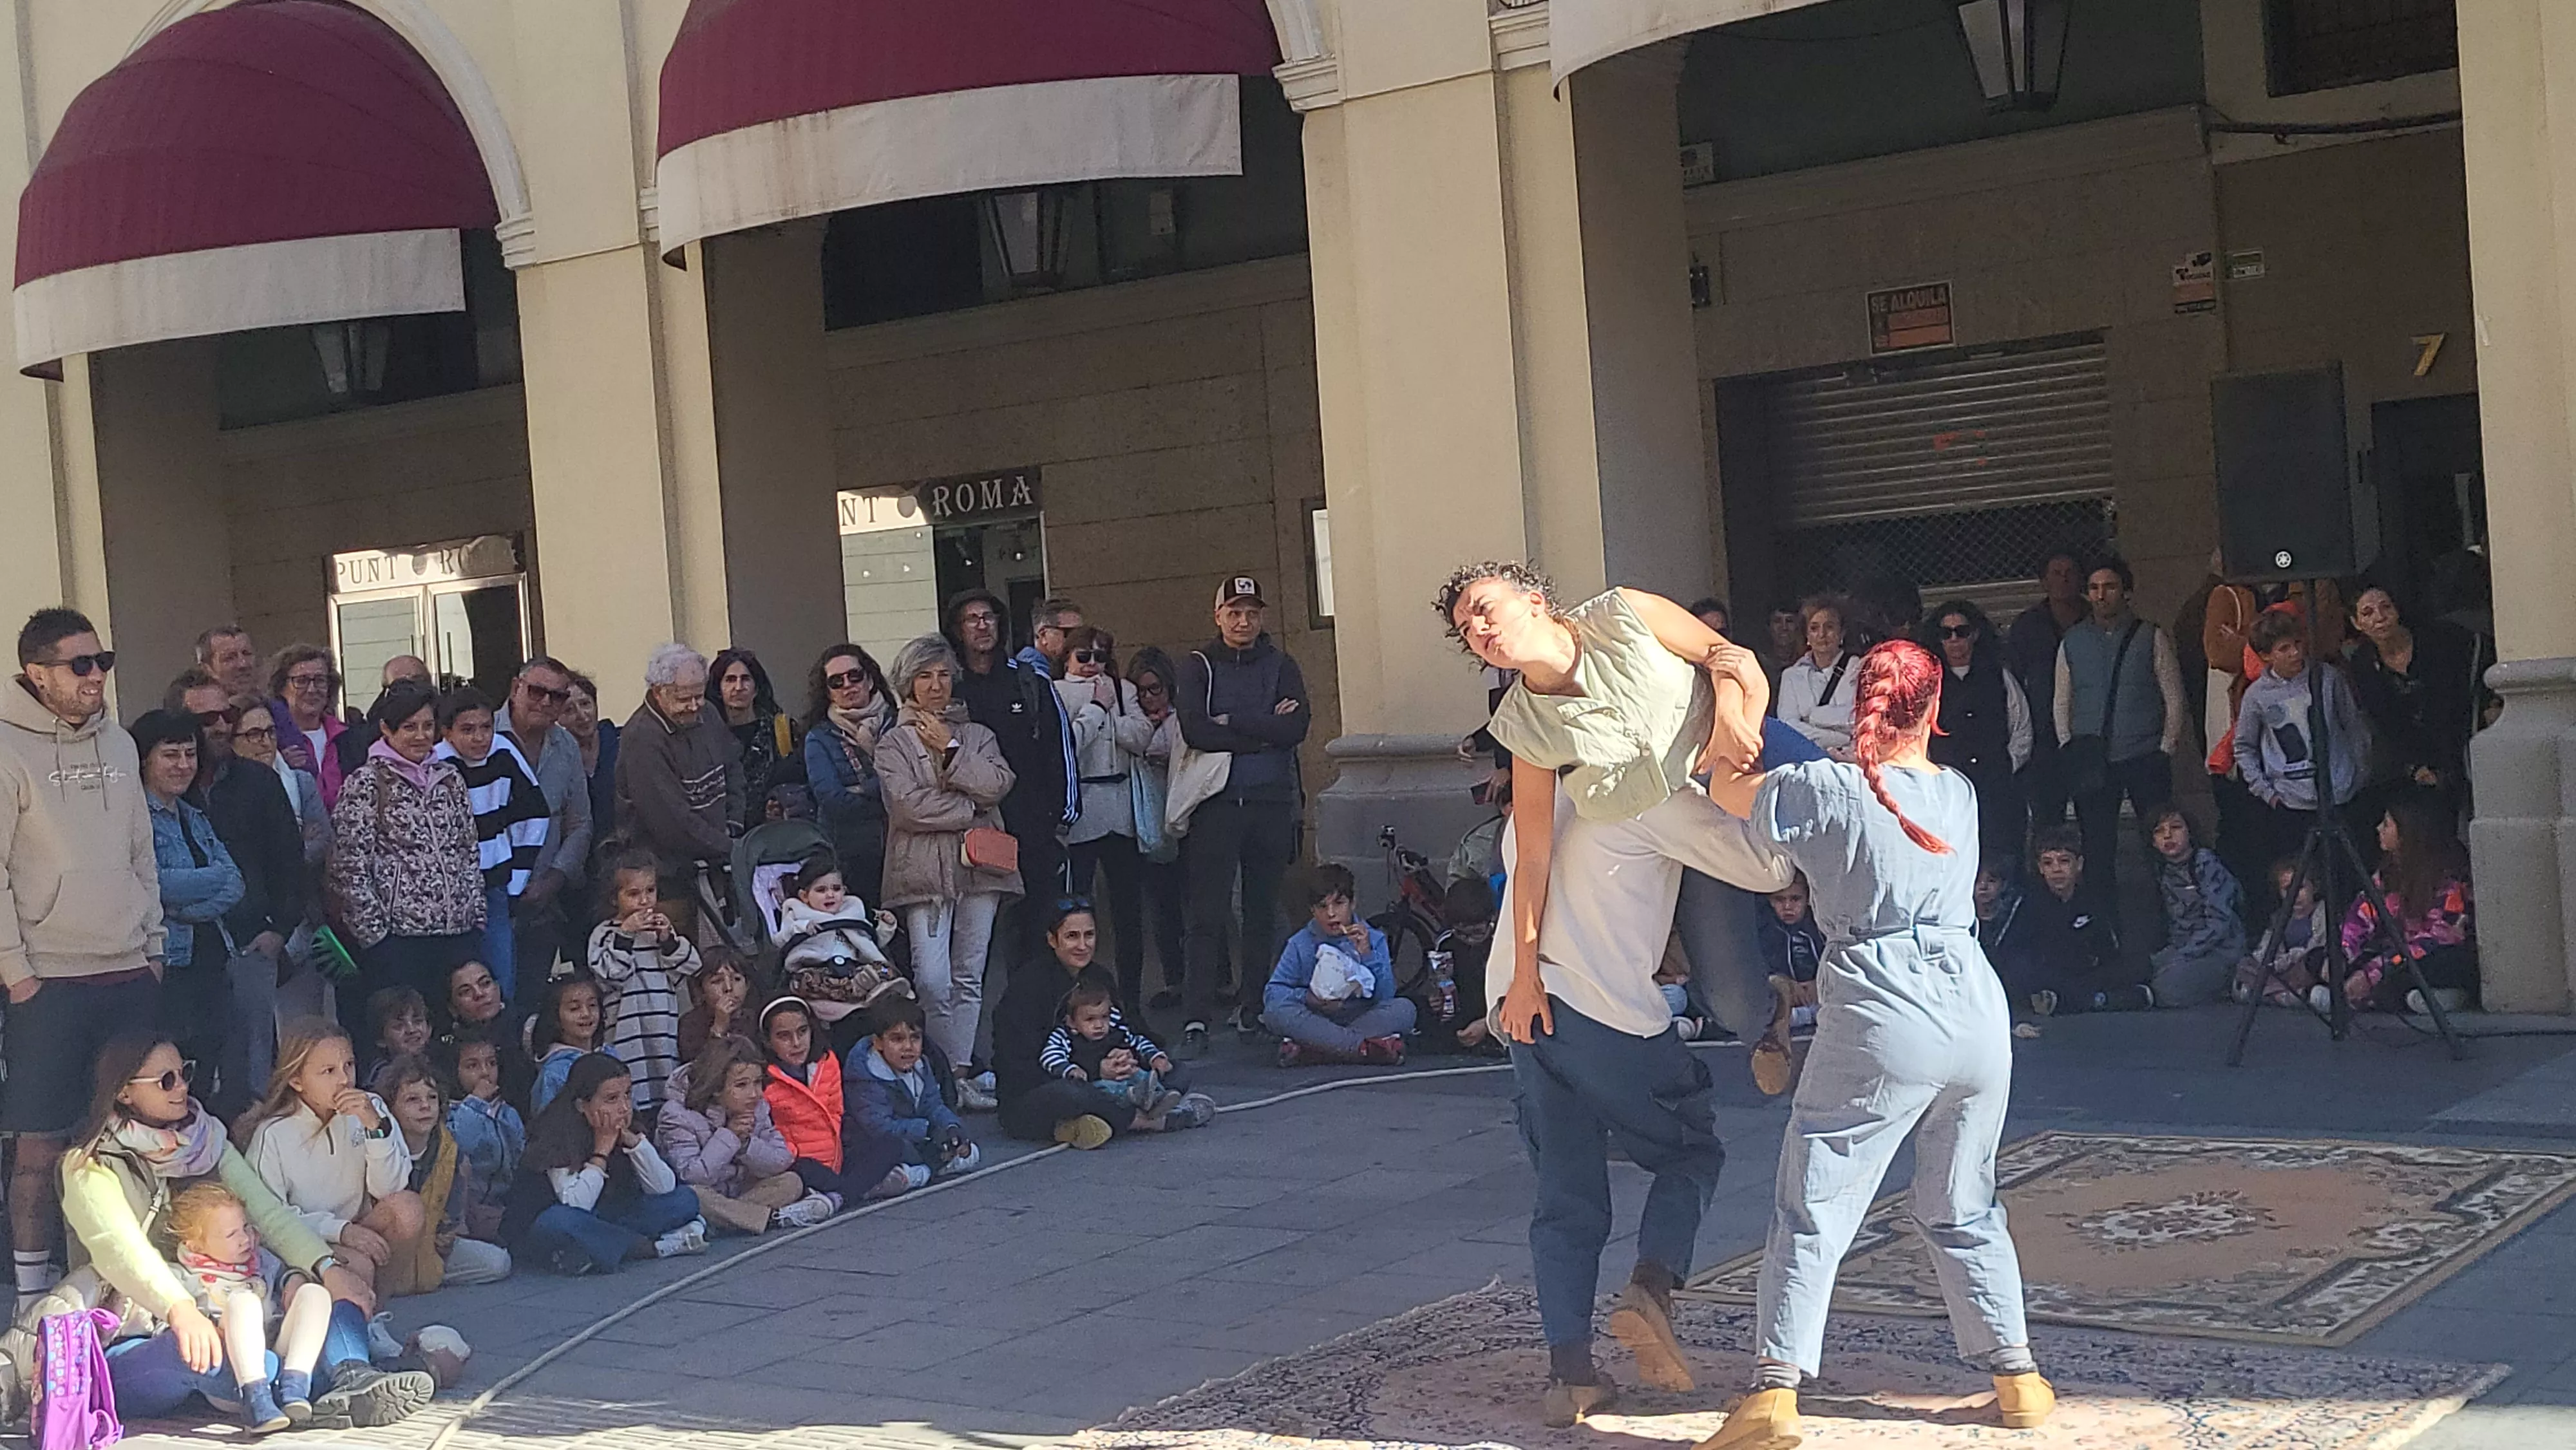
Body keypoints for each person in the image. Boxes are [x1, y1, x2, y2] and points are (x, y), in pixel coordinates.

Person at [1437, 565, 1796, 1420]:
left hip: (1523, 1010)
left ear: (1537, 601)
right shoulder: (1620, 785)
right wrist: (1758, 800)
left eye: (1484, 610)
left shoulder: (1622, 622)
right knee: (1690, 1152)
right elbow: (1767, 865)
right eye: (1466, 629)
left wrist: (1520, 984)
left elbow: (1728, 656)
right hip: (1589, 1006)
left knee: (1565, 1190)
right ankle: (1651, 1290)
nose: (1479, 630)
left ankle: (1570, 1371)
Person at [1696, 637, 2051, 1449]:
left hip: (1880, 1002)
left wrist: (1730, 692)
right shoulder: (1957, 790)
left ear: (1859, 702)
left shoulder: (1826, 787)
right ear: (1931, 710)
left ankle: (1774, 1390)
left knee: (1813, 1200)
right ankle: (2017, 1373)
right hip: (1974, 1003)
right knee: (1965, 1201)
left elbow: (1723, 782)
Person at [18, 1033, 430, 1429]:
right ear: (125, 1093)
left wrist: (327, 1267)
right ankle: (310, 1385)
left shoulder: (207, 1138)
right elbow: (121, 1251)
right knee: (219, 1359)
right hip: (141, 1326)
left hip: (233, 1312)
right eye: (166, 1081)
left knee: (337, 1301)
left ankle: (351, 1375)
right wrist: (180, 1309)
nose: (181, 1088)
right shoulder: (87, 1165)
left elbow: (268, 1214)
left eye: (185, 1074)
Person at [1, 608, 166, 1302]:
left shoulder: (123, 744)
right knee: (39, 1146)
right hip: (48, 978)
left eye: (103, 660)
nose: (95, 674)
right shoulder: (8, 748)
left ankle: (117, 1287)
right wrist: (18, 973)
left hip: (129, 965)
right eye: (79, 664)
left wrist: (154, 945)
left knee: (129, 1136)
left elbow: (141, 852)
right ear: (37, 674)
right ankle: (34, 1295)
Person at [878, 635, 1020, 1098]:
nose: (936, 685)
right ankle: (938, 1070)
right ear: (908, 684)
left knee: (970, 973)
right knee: (932, 978)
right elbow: (907, 807)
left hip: (981, 866)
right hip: (923, 872)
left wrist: (955, 750)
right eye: (925, 676)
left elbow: (999, 784)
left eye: (943, 674)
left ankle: (959, 1072)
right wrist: (968, 808)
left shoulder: (977, 734)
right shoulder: (893, 743)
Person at [1176, 576, 1313, 1051]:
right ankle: (1196, 1016)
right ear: (1218, 616)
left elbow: (1296, 726)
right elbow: (1195, 729)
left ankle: (1252, 1006)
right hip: (1216, 806)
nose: (1243, 621)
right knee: (1206, 914)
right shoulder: (1197, 666)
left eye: (1252, 612)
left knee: (1261, 913)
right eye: (1234, 612)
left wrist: (1233, 723)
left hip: (1271, 804)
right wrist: (1264, 730)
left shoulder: (1282, 664)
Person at [167, 673, 305, 1116]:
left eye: (227, 713)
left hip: (250, 944)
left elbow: (290, 861)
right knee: (189, 1070)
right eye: (207, 718)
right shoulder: (162, 788)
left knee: (253, 1078)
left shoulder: (259, 782)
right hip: (183, 954)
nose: (223, 726)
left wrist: (279, 932)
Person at [323, 679, 484, 1041]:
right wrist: (377, 938)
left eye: (428, 726)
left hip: (456, 933)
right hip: (399, 940)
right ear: (386, 729)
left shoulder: (450, 778)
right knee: (403, 1034)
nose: (420, 736)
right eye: (409, 727)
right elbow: (349, 869)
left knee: (452, 1034)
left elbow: (468, 851)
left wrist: (475, 914)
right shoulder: (366, 783)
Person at [992, 900, 1208, 1147]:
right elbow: (1019, 1067)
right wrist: (1094, 1069)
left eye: (1089, 935)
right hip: (1043, 1091)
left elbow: (1129, 1030)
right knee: (1072, 1094)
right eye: (1072, 937)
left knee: (1178, 1071)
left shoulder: (1100, 977)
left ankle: (1098, 1120)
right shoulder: (1028, 986)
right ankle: (1147, 1121)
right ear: (1053, 940)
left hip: (1113, 1082)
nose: (1083, 946)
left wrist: (1130, 1058)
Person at [234, 1021, 423, 1296]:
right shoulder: (274, 1133)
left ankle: (377, 1310)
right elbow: (268, 1217)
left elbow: (389, 1189)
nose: (344, 1079)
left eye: (349, 1065)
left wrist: (375, 1129)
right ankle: (357, 1320)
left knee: (408, 1208)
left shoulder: (372, 1107)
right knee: (357, 1264)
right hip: (306, 1238)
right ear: (297, 1081)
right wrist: (340, 1231)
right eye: (328, 1071)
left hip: (359, 1223)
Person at [944, 590, 1074, 981]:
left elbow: (1059, 747)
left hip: (1030, 827)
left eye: (989, 617)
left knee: (1036, 933)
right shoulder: (948, 687)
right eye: (972, 619)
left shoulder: (1028, 681)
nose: (982, 626)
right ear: (958, 630)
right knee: (973, 943)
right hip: (969, 828)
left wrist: (1061, 813)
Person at [2053, 555, 2186, 910]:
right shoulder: (2073, 640)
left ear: (2126, 591)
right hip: (2092, 758)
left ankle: (2170, 919)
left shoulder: (2151, 635)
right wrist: (2069, 745)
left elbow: (2173, 695)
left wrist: (2165, 746)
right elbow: (2062, 699)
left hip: (2145, 755)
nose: (2101, 595)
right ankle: (2103, 928)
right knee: (2097, 849)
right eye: (2094, 588)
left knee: (2161, 844)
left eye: (2109, 587)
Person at [503, 1052, 707, 1275]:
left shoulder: (628, 1124)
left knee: (685, 1199)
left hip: (607, 1216)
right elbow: (575, 1203)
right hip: (554, 1222)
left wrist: (635, 1144)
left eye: (627, 1095)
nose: (624, 1107)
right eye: (612, 1099)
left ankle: (601, 1247)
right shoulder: (555, 1134)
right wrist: (602, 1150)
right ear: (582, 1105)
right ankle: (652, 1247)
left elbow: (663, 1189)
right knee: (559, 1221)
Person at [132, 710, 247, 1096]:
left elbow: (236, 881)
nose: (183, 765)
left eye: (190, 754)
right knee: (172, 1066)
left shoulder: (194, 815)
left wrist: (190, 911)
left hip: (213, 957)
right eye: (171, 755)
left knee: (216, 1063)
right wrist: (209, 880)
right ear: (145, 758)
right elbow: (155, 884)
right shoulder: (135, 817)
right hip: (169, 964)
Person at [164, 1179, 335, 1432]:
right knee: (243, 1301)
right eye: (232, 1235)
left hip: (276, 1350)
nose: (245, 1239)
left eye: (246, 1228)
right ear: (195, 1246)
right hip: (234, 1372)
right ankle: (256, 1401)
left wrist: (293, 1279)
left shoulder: (260, 1260)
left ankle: (295, 1387)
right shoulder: (183, 1277)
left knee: (315, 1294)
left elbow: (281, 1276)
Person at [1056, 626, 1156, 1016]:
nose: (1093, 664)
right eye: (1084, 656)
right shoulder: (1058, 693)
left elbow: (1142, 735)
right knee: (1077, 907)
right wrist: (1097, 709)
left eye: (1101, 656)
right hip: (1082, 809)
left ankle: (1129, 997)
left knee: (1128, 910)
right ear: (1067, 658)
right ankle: (1077, 996)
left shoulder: (1123, 689)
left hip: (1122, 812)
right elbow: (1069, 744)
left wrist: (1108, 714)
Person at [433, 686, 549, 998]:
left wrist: (518, 877)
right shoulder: (437, 766)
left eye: (486, 728)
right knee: (456, 980)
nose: (479, 738)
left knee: (500, 977)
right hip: (450, 893)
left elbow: (535, 812)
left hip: (496, 886)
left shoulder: (503, 752)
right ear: (447, 732)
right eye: (467, 730)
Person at [656, 1035, 837, 1235]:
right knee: (694, 1196)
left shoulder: (757, 1107)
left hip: (738, 1195)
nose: (754, 1094)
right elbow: (692, 1176)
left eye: (757, 1083)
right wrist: (730, 1136)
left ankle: (727, 1222)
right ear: (716, 1088)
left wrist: (746, 1145)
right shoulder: (676, 1115)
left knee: (791, 1181)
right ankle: (773, 1219)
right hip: (703, 1195)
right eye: (741, 1085)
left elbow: (782, 1159)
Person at [2233, 608, 2366, 876]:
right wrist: (2267, 792)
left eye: (2297, 643)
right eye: (2284, 648)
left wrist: (2358, 774)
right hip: (2292, 804)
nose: (2295, 653)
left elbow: (2353, 726)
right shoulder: (2257, 695)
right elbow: (2244, 747)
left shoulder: (2328, 678)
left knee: (2347, 874)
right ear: (2267, 656)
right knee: (2302, 879)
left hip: (2340, 795)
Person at [614, 643, 745, 898]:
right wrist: (733, 847)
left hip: (719, 855)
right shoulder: (642, 737)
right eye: (684, 699)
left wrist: (734, 824)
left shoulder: (708, 713)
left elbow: (733, 768)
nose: (695, 706)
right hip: (667, 873)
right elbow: (672, 822)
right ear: (658, 692)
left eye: (700, 695)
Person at [755, 996, 914, 1205]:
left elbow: (836, 1112)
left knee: (890, 1145)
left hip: (836, 1155)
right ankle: (853, 1191)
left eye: (802, 1032)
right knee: (803, 1170)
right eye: (784, 1036)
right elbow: (769, 1134)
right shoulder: (764, 1079)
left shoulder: (826, 1061)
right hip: (800, 1163)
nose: (796, 1043)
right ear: (768, 1040)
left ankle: (842, 1194)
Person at [375, 1055, 512, 1294]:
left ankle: (425, 1274)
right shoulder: (378, 1148)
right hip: (388, 1251)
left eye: (432, 1098)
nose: (425, 1106)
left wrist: (444, 1239)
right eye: (412, 1100)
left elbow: (452, 1213)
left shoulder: (450, 1149)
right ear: (391, 1108)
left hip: (431, 1247)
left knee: (498, 1263)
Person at [496, 657, 594, 988]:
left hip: (545, 902)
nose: (546, 702)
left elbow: (580, 822)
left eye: (558, 696)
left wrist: (553, 880)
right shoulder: (481, 736)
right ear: (515, 689)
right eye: (537, 692)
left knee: (535, 998)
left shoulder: (565, 744)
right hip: (489, 903)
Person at [2347, 585, 2492, 804]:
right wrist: (2415, 766)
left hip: (2467, 738)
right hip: (2419, 760)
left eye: (2386, 607)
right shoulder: (2363, 664)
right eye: (2368, 613)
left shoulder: (2439, 638)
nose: (2380, 617)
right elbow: (2386, 722)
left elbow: (2481, 658)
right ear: (2356, 623)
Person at [1262, 864, 1416, 1066]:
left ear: (1353, 903)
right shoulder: (1301, 943)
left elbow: (1386, 995)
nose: (1331, 914)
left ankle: (1317, 1049)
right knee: (1275, 1012)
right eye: (1322, 907)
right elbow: (1273, 991)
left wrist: (1367, 955)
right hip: (1316, 1018)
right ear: (1312, 910)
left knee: (1405, 1009)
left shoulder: (1374, 939)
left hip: (1360, 1016)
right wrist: (1308, 998)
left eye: (1339, 903)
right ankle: (1362, 1048)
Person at [587, 848, 703, 1115]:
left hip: (662, 1028)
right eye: (633, 894)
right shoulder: (604, 934)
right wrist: (626, 935)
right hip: (627, 1032)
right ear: (614, 899)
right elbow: (610, 975)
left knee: (666, 1093)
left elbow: (691, 967)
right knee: (633, 1093)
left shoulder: (660, 932)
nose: (644, 901)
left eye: (650, 891)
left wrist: (668, 940)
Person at [2337, 797, 2479, 1013]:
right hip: (2400, 953)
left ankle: (2445, 997)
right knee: (2330, 959)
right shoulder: (2389, 872)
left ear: (2408, 832)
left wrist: (2374, 971)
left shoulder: (2449, 875)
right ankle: (2395, 996)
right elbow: (2362, 915)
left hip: (2437, 954)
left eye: (2386, 824)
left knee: (2419, 968)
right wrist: (2342, 953)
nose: (2378, 829)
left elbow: (2439, 938)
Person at [1922, 601, 2031, 869]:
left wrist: (2006, 764)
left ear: (1975, 634)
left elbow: (2021, 727)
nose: (1955, 639)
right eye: (1946, 633)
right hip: (1948, 796)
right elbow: (1918, 734)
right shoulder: (1928, 684)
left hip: (1998, 791)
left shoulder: (1999, 677)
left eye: (1961, 631)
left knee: (2004, 859)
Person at [775, 854, 907, 1052]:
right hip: (817, 969)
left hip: (852, 969)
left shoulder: (851, 911)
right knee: (804, 981)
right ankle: (861, 989)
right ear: (804, 896)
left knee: (884, 968)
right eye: (822, 890)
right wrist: (802, 927)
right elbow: (780, 939)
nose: (830, 895)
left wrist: (886, 927)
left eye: (836, 889)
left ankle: (862, 985)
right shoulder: (797, 913)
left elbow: (869, 944)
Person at [848, 995, 987, 1178]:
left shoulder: (922, 1065)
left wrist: (951, 1127)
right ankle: (921, 1170)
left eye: (915, 1038)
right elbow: (879, 1127)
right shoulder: (866, 1076)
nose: (908, 1047)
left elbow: (934, 1106)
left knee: (971, 1152)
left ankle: (930, 1166)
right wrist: (927, 1130)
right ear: (878, 1043)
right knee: (900, 1153)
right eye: (897, 1039)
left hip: (917, 1137)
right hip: (878, 1144)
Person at [801, 643, 893, 908]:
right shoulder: (819, 737)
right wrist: (886, 797)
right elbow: (833, 801)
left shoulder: (900, 724)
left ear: (870, 678)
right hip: (849, 856)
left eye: (855, 676)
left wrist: (862, 789)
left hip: (901, 852)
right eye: (836, 681)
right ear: (827, 691)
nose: (848, 685)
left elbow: (913, 785)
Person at [2018, 825, 2146, 1015]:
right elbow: (2023, 952)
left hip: (2086, 972)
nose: (2056, 870)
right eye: (2048, 863)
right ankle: (2104, 1000)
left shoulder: (2092, 900)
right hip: (2050, 973)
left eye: (2064, 861)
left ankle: (2071, 1002)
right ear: (2040, 869)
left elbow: (2108, 948)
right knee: (2024, 974)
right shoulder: (2029, 902)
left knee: (2140, 966)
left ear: (2079, 864)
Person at [1127, 647, 1190, 1012]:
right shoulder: (1136, 724)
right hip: (1150, 824)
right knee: (1163, 908)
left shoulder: (1181, 721)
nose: (1150, 698)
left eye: (1156, 689)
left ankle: (1215, 979)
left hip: (1184, 818)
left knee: (1197, 906)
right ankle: (1175, 981)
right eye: (1143, 692)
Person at [2007, 551, 2087, 831]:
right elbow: (2013, 683)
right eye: (2056, 572)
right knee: (2046, 822)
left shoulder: (2095, 621)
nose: (2064, 579)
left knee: (2095, 821)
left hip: (2088, 737)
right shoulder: (2027, 626)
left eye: (2070, 572)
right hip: (2042, 742)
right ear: (2044, 581)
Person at [2141, 804, 2247, 1006]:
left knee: (2168, 987)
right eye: (2159, 831)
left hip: (2221, 951)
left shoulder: (2206, 864)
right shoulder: (2164, 871)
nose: (2168, 836)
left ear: (2190, 832)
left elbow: (2219, 923)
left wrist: (2186, 955)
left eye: (2176, 828)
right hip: (2184, 946)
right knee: (2143, 969)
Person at [1038, 979, 1187, 1116]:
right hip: (1098, 1084)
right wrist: (1071, 1070)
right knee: (1102, 1089)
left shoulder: (1117, 1030)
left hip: (1130, 1075)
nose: (1099, 1025)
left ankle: (1159, 1097)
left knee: (1173, 1071)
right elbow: (1050, 1056)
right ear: (1072, 1022)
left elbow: (1138, 1041)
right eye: (1090, 1020)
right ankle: (1138, 1099)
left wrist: (1155, 1057)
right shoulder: (1065, 1036)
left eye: (1104, 1017)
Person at [444, 1027, 524, 1245]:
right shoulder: (449, 1114)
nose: (485, 1072)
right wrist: (476, 1102)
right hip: (464, 1211)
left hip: (502, 1205)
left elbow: (519, 1159)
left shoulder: (508, 1113)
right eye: (472, 1066)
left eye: (491, 1063)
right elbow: (462, 1144)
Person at [267, 646, 359, 810]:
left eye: (320, 680)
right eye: (301, 681)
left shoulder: (349, 738)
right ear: (281, 688)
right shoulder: (272, 740)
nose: (312, 690)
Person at [440, 959, 535, 1114]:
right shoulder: (448, 1050)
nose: (479, 994)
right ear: (452, 1008)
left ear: (497, 988)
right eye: (466, 992)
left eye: (485, 984)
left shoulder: (529, 1028)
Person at [711, 648, 799, 809]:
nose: (739, 687)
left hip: (773, 829)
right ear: (718, 688)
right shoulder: (708, 735)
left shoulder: (781, 730)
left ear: (756, 687)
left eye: (746, 679)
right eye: (730, 680)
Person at [1776, 596, 1857, 758]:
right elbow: (1789, 728)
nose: (1822, 634)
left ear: (1842, 633)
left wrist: (1813, 717)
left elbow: (1859, 718)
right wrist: (1842, 738)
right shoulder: (1791, 676)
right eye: (1814, 628)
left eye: (1830, 627)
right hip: (1808, 761)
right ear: (1806, 635)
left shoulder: (1859, 668)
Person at [531, 972, 609, 1115]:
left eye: (592, 1005)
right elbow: (547, 1126)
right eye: (574, 1008)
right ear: (556, 1017)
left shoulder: (611, 1055)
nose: (586, 1013)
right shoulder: (554, 1073)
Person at [563, 671, 620, 857]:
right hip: (582, 861)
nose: (582, 715)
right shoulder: (558, 758)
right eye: (569, 710)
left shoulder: (621, 742)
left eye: (586, 704)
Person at [677, 950, 754, 1066]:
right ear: (700, 990)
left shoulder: (755, 1020)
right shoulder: (690, 1023)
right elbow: (697, 1069)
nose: (728, 988)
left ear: (747, 985)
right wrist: (719, 1027)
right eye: (717, 981)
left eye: (737, 979)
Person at [362, 987, 433, 1088]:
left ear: (429, 1029)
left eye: (418, 1021)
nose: (411, 1030)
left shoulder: (443, 1063)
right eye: (398, 1026)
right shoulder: (380, 1077)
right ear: (381, 1040)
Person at [196, 626, 265, 701]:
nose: (243, 664)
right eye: (229, 658)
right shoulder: (197, 711)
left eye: (247, 654)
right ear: (207, 669)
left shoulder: (275, 709)